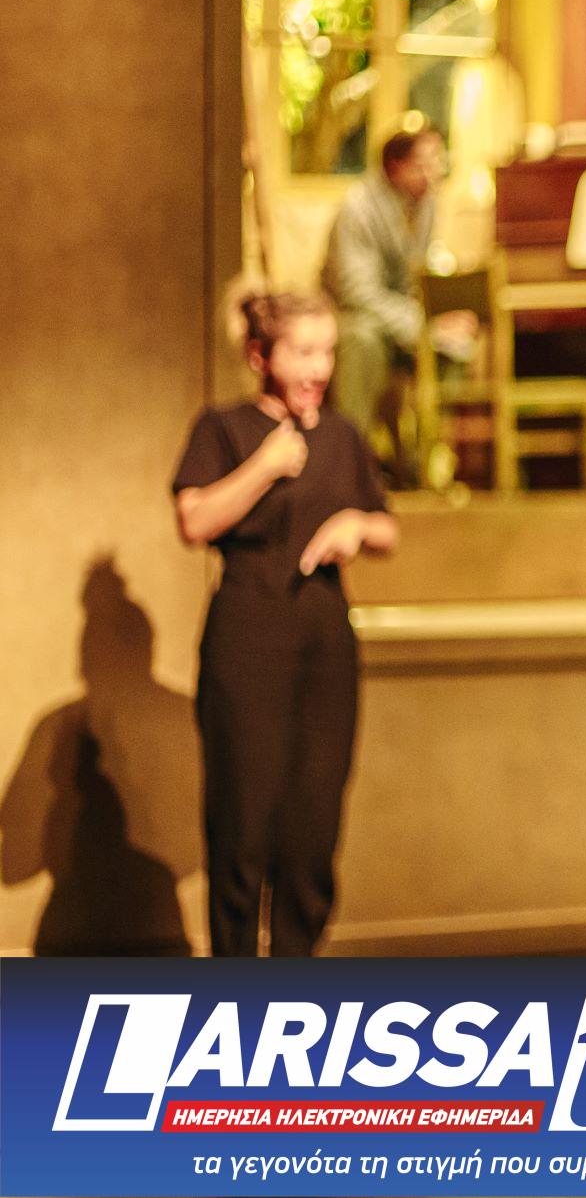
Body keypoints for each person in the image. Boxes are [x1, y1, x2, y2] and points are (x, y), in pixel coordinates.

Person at [171, 290, 399, 956]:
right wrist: (265, 467)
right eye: (303, 352)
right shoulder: (223, 428)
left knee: (313, 826)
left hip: (324, 640)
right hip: (247, 634)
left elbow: (386, 526)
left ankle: (297, 976)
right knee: (243, 822)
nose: (318, 368)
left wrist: (357, 525)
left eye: (326, 351)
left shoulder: (342, 435)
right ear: (259, 356)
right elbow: (194, 521)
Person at [321, 127, 476, 483]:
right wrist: (422, 325)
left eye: (437, 162)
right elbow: (358, 294)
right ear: (395, 166)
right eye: (423, 164)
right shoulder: (358, 208)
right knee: (363, 339)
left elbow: (416, 275)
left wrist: (444, 317)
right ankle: (350, 464)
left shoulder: (427, 204)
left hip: (399, 315)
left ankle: (427, 462)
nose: (433, 173)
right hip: (350, 315)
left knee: (456, 345)